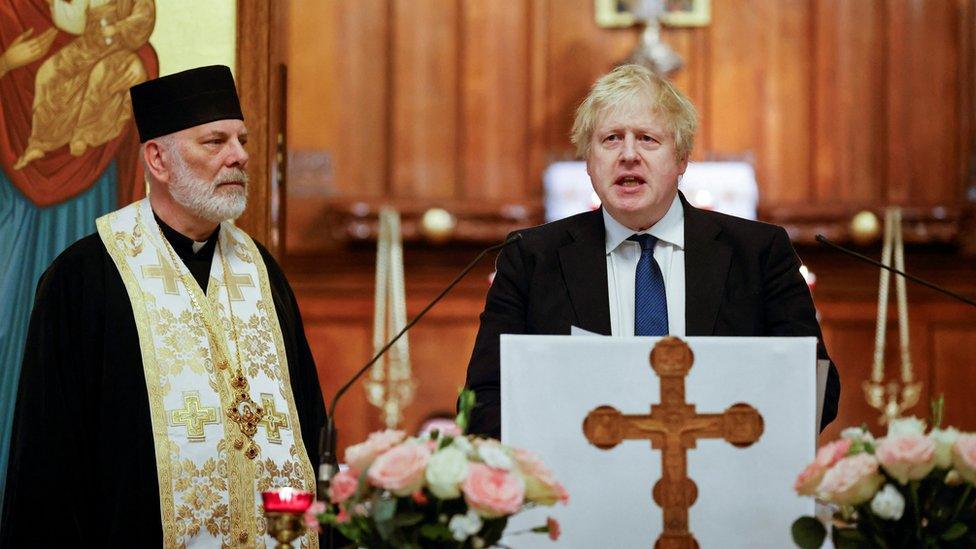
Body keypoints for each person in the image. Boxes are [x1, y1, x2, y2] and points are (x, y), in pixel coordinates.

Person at [1, 65, 325, 547]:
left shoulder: (263, 273)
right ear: (157, 159)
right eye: (215, 142)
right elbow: (48, 464)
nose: (238, 156)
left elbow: (310, 427)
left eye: (242, 140)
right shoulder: (85, 279)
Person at [464, 64, 840, 439]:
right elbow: (485, 399)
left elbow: (815, 390)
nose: (628, 155)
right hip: (575, 490)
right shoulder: (531, 259)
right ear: (589, 162)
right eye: (611, 139)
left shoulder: (758, 253)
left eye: (647, 139)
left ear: (681, 159)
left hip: (722, 486)